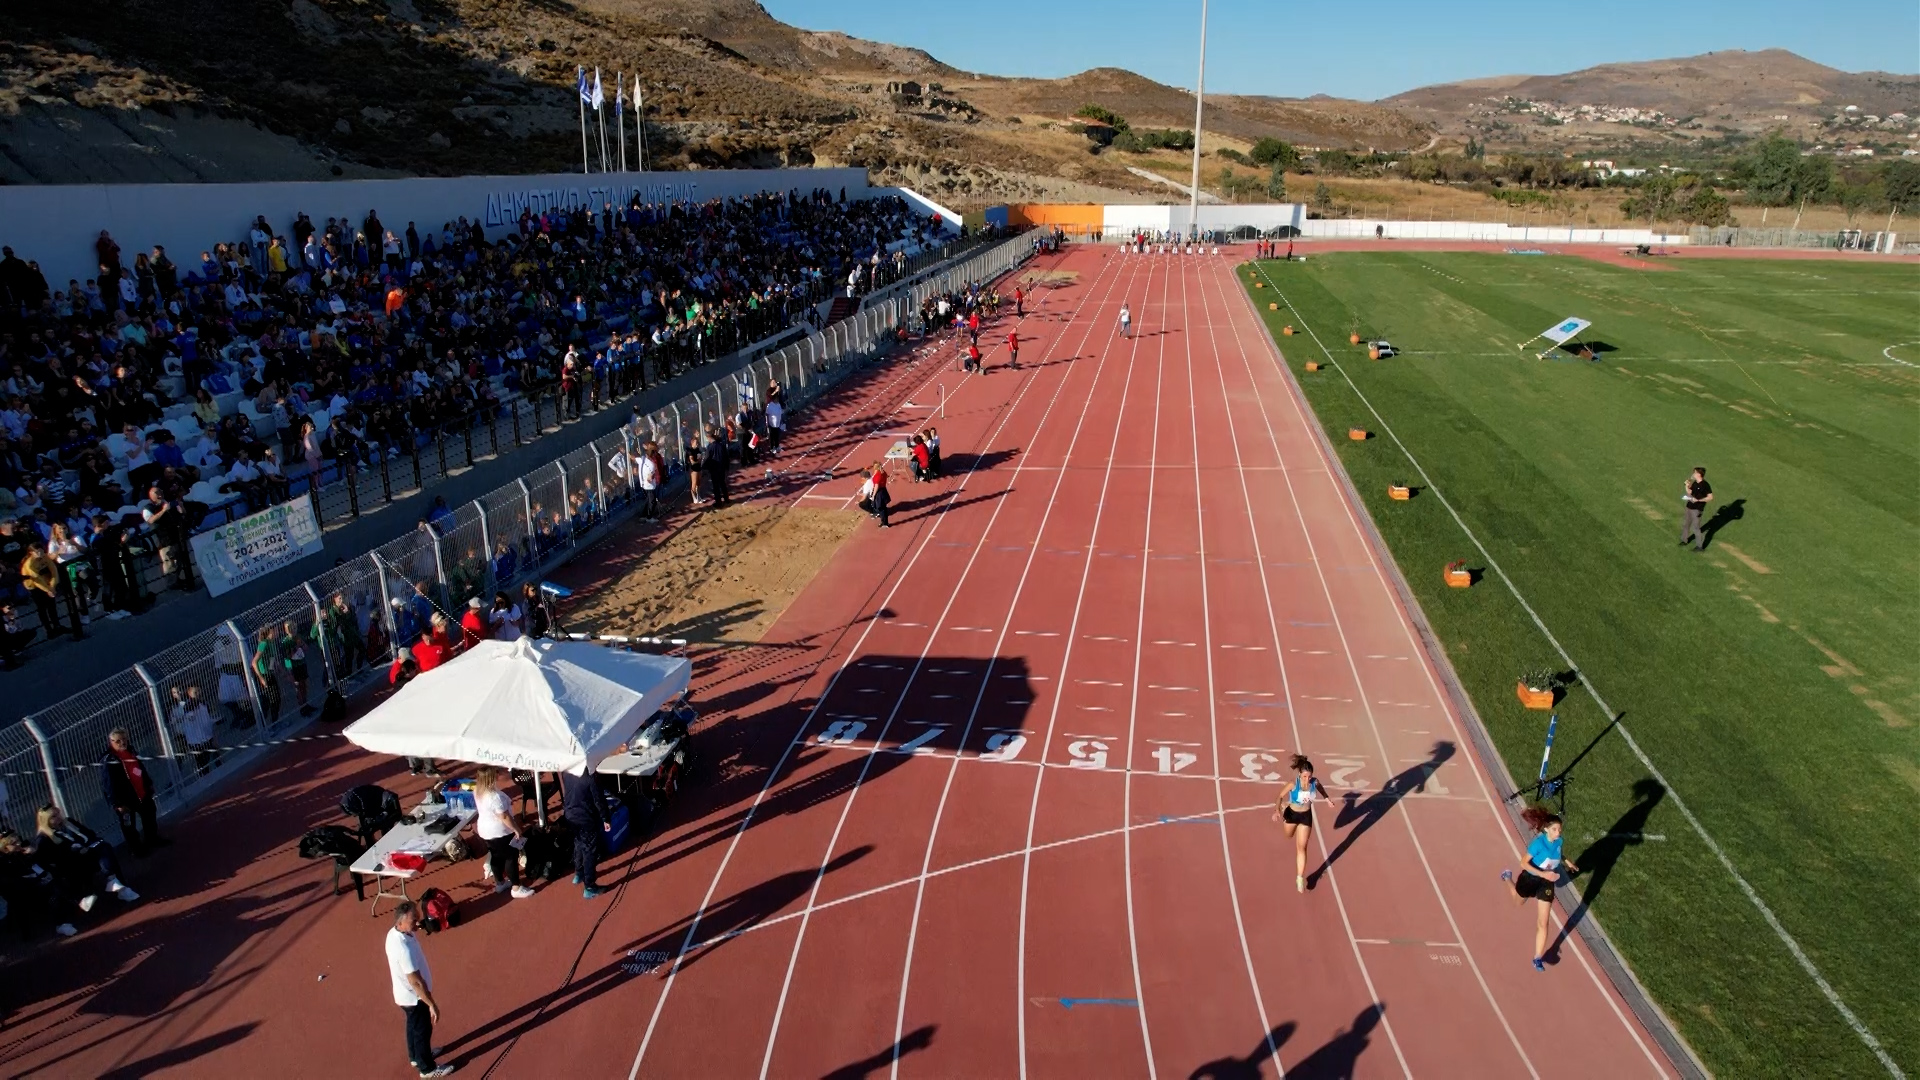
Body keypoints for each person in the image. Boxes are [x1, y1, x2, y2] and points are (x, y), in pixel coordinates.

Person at [1501, 806, 1580, 972]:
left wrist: (1568, 862)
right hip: (1530, 878)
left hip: (1547, 882)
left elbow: (1559, 853)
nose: (1558, 832)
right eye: (1555, 829)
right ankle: (1508, 879)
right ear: (1546, 829)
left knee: (1543, 922)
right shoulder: (1538, 844)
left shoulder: (1559, 841)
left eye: (1559, 829)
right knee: (1518, 901)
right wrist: (1542, 874)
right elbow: (1523, 863)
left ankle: (1537, 957)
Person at [385, 901, 456, 1078]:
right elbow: (415, 982)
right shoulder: (404, 949)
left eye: (417, 918)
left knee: (412, 1026)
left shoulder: (394, 934)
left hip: (404, 997)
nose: (417, 923)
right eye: (413, 921)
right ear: (400, 923)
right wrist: (431, 1003)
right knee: (423, 1030)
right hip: (415, 998)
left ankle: (415, 1057)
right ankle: (427, 1069)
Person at [35, 804, 139, 912]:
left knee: (103, 847)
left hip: (88, 852)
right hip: (73, 864)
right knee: (103, 849)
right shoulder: (44, 839)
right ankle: (115, 883)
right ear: (45, 821)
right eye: (53, 817)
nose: (58, 817)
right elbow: (49, 860)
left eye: (58, 814)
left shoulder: (68, 822)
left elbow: (89, 833)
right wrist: (75, 850)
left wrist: (86, 843)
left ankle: (116, 883)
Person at [0, 827, 78, 938]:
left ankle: (73, 904)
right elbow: (13, 880)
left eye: (17, 841)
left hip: (39, 880)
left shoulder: (22, 852)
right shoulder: (4, 861)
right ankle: (61, 923)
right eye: (13, 843)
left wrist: (33, 854)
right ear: (5, 848)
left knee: (58, 877)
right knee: (52, 889)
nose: (17, 844)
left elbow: (41, 864)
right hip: (24, 889)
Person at [100, 728, 168, 855]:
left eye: (124, 739)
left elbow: (139, 767)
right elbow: (108, 784)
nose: (122, 742)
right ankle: (137, 849)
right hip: (125, 800)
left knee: (149, 814)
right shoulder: (109, 759)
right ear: (111, 742)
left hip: (141, 793)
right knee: (129, 825)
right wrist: (117, 803)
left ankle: (151, 839)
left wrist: (148, 784)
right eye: (118, 741)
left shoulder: (131, 750)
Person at [472, 767, 534, 899]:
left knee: (495, 856)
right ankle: (516, 887)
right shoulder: (494, 797)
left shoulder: (477, 790)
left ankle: (500, 882)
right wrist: (516, 829)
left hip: (485, 830)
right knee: (510, 857)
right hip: (499, 831)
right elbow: (504, 817)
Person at [1272, 755, 1328, 893]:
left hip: (1305, 816)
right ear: (1299, 775)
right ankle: (1287, 807)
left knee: (1302, 847)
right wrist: (1277, 811)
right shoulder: (1293, 784)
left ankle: (1299, 878)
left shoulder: (1314, 782)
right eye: (1304, 777)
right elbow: (1279, 796)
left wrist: (1327, 798)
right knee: (1288, 835)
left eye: (1309, 777)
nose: (1307, 780)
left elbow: (1320, 788)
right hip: (1291, 815)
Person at [559, 770, 608, 899]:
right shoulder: (591, 778)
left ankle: (578, 873)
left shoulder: (567, 773)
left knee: (578, 843)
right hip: (586, 817)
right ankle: (590, 885)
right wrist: (606, 818)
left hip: (570, 815)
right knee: (589, 849)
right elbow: (599, 800)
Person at [1681, 466, 1713, 552]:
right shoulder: (1695, 483)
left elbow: (1710, 497)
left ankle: (1699, 547)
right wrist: (1687, 486)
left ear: (1699, 474)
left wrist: (1699, 500)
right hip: (1689, 506)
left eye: (1694, 472)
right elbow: (1690, 492)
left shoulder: (1705, 485)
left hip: (1697, 509)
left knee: (1696, 528)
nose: (1693, 474)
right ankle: (1684, 540)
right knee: (1686, 524)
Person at [702, 427, 731, 509]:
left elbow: (707, 458)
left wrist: (704, 467)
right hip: (721, 467)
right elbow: (726, 456)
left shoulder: (710, 447)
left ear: (708, 438)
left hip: (714, 468)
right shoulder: (721, 445)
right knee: (722, 483)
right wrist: (727, 466)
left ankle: (718, 502)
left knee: (716, 486)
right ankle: (726, 499)